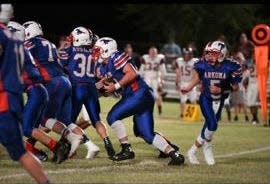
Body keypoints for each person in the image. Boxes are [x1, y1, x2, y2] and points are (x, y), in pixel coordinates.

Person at [92, 37, 185, 165]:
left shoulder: (116, 57)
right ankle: (174, 154)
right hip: (141, 96)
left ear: (108, 50)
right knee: (145, 134)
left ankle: (127, 149)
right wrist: (102, 91)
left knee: (112, 117)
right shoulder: (104, 67)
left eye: (98, 50)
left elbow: (132, 73)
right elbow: (110, 90)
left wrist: (116, 86)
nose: (96, 53)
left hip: (138, 93)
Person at [22, 21, 91, 163]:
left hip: (51, 83)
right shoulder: (50, 44)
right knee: (55, 120)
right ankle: (69, 142)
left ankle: (68, 140)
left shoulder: (28, 44)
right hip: (64, 81)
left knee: (41, 119)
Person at [0, 4, 50, 183]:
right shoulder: (15, 39)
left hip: (3, 98)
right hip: (14, 95)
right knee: (20, 150)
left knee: (20, 149)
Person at [58, 26, 115, 159]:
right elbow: (99, 71)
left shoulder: (70, 50)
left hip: (76, 87)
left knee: (69, 122)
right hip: (91, 88)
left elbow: (58, 64)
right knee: (96, 120)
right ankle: (107, 143)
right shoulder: (93, 52)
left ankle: (72, 149)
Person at [182, 40, 242, 165]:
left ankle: (192, 151)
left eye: (213, 53)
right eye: (208, 53)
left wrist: (223, 89)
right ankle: (207, 148)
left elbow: (236, 87)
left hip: (221, 99)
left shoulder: (231, 66)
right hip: (206, 98)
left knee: (209, 126)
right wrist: (188, 87)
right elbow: (198, 78)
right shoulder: (202, 64)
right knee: (212, 125)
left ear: (222, 54)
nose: (209, 56)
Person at [140, 46, 166, 115]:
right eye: (151, 52)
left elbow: (163, 71)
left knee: (156, 95)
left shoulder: (160, 58)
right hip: (147, 78)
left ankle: (159, 107)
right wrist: (140, 78)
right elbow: (142, 69)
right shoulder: (145, 58)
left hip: (156, 79)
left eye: (154, 52)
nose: (153, 53)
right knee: (145, 94)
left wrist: (162, 80)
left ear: (157, 53)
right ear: (149, 52)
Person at [175, 47, 197, 118]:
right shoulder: (179, 61)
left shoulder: (194, 61)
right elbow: (178, 73)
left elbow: (195, 73)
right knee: (183, 99)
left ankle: (193, 115)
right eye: (185, 54)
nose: (186, 56)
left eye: (188, 54)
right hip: (184, 82)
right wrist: (177, 82)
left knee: (193, 99)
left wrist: (194, 83)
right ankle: (182, 114)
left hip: (191, 82)